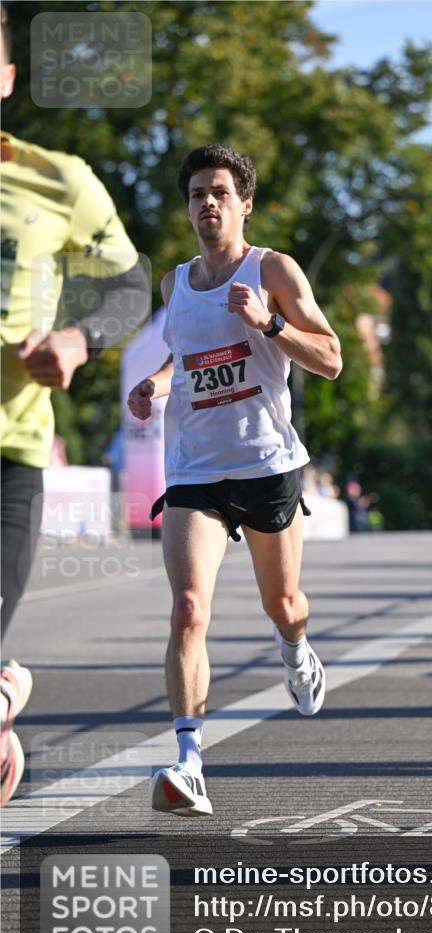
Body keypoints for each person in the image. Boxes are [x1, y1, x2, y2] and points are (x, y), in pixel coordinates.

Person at [127, 144, 342, 817]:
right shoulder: (174, 284)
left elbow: (331, 358)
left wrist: (270, 323)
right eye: (196, 194)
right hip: (195, 469)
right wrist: (155, 383)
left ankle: (295, 647)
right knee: (188, 607)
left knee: (285, 605)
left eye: (220, 192)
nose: (207, 204)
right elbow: (187, 356)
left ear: (244, 203)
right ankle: (189, 763)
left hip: (267, 466)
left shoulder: (271, 268)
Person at [0, 3, 149, 804]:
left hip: (9, 454)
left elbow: (128, 283)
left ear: (7, 77)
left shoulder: (57, 179)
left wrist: (79, 342)